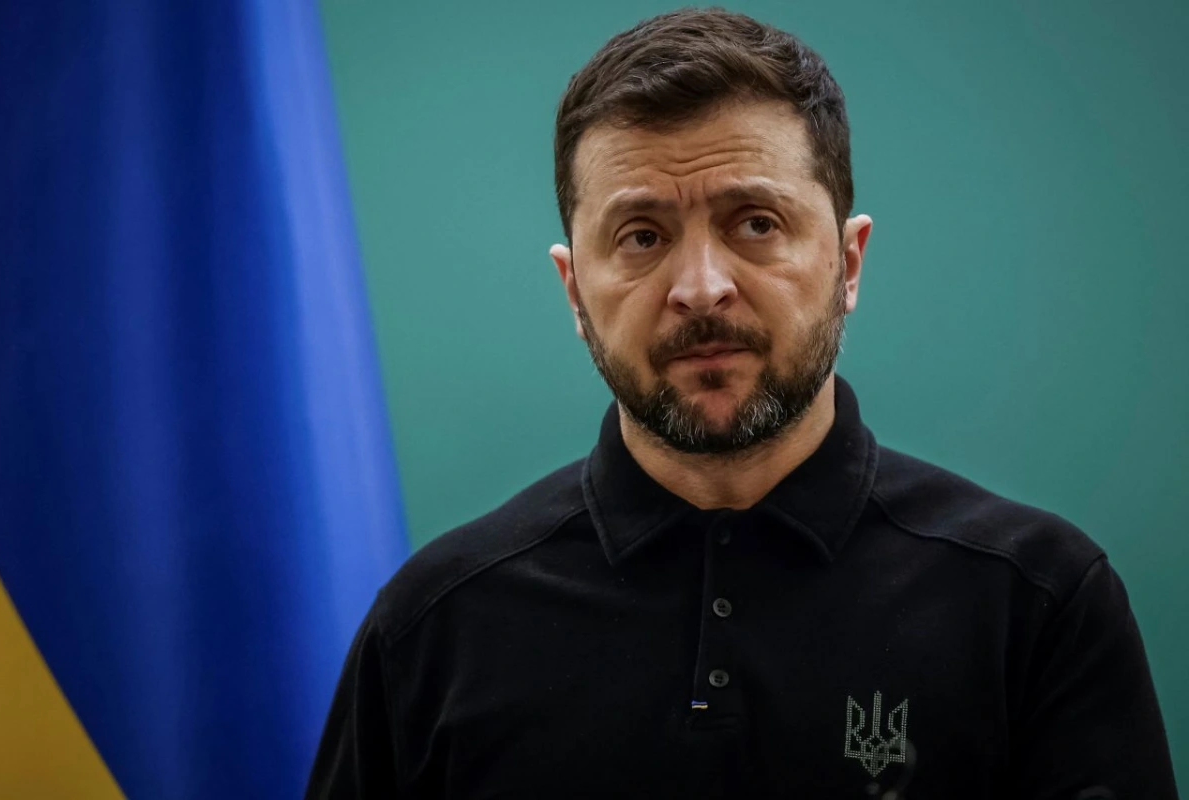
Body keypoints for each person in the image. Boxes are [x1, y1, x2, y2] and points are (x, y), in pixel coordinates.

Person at [306, 8, 1177, 798]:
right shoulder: (432, 630)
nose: (700, 286)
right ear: (574, 290)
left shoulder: (1037, 603)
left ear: (849, 264)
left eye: (756, 222)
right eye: (642, 236)